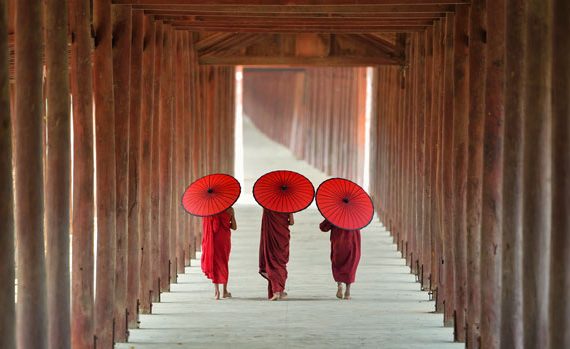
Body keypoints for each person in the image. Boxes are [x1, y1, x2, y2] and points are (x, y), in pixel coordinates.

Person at [319, 219, 361, 300]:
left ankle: (339, 285)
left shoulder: (335, 215)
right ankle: (348, 292)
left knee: (337, 264)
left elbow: (323, 227)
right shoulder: (356, 215)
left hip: (338, 243)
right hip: (353, 243)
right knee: (351, 265)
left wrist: (330, 219)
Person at [201, 207, 237, 300]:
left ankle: (217, 292)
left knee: (215, 264)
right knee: (224, 263)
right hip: (225, 240)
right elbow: (234, 227)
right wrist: (230, 218)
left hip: (214, 240)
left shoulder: (210, 211)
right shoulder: (230, 209)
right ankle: (225, 291)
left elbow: (214, 228)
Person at [259, 208, 294, 301]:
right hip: (283, 236)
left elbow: (264, 222)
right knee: (280, 263)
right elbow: (291, 222)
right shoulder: (288, 205)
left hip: (271, 236)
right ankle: (280, 290)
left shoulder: (267, 205)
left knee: (272, 261)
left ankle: (276, 291)